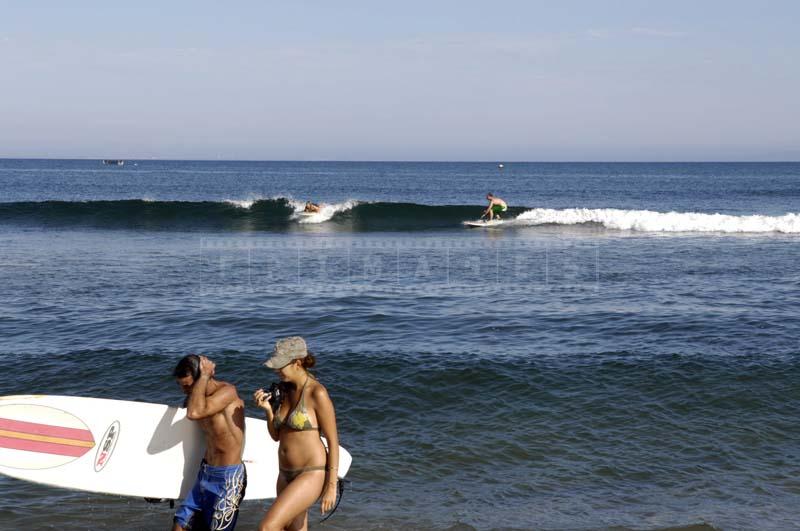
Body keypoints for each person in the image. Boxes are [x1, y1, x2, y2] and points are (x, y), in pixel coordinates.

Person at [253, 337, 339, 531]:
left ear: (297, 363)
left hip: (311, 472)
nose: (276, 369)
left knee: (268, 527)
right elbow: (276, 435)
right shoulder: (283, 390)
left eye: (280, 365)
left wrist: (331, 487)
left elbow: (333, 442)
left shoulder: (317, 393)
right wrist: (268, 410)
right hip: (284, 474)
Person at [172, 355, 247, 531]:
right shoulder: (195, 399)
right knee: (180, 524)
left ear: (201, 379)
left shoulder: (228, 392)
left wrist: (204, 375)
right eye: (181, 386)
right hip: (205, 473)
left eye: (188, 386)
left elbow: (194, 414)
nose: (184, 391)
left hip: (228, 478)